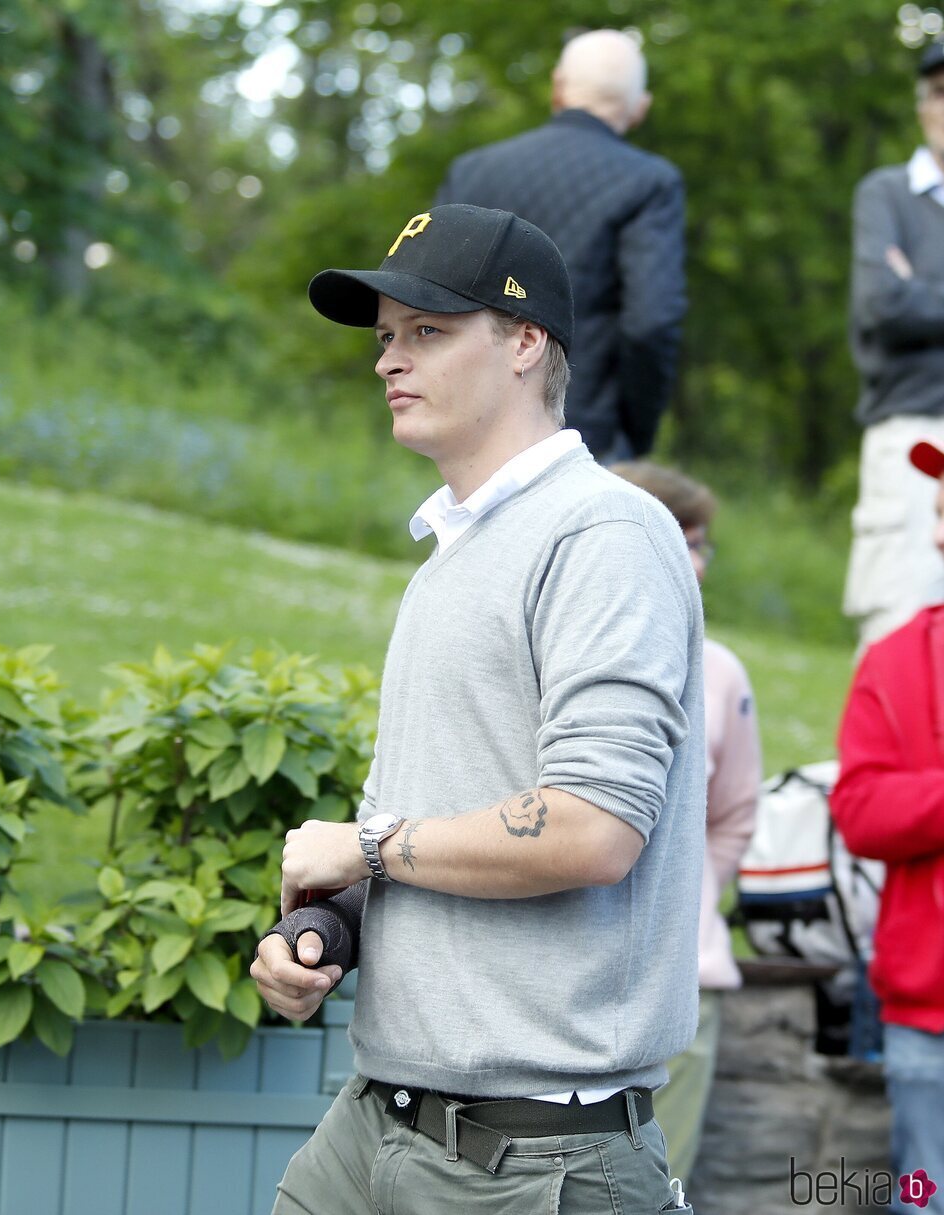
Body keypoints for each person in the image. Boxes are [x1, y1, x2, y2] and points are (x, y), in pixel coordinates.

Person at [250, 203, 704, 1214]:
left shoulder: (604, 534)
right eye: (383, 338)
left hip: (533, 1159)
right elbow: (416, 834)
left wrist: (363, 850)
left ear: (524, 342)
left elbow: (591, 831)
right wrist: (323, 935)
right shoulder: (448, 562)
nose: (386, 362)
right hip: (378, 1121)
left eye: (426, 331)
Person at [610, 461, 761, 1186]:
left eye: (702, 544)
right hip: (570, 991)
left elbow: (733, 817)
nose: (696, 562)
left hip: (683, 992)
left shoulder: (722, 672)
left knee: (660, 1189)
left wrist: (692, 908)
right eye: (682, 538)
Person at [434, 29, 685, 464]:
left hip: (470, 419)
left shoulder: (472, 172)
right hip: (580, 426)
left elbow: (432, 295)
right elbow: (651, 323)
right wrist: (636, 432)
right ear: (640, 107)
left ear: (557, 87)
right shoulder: (650, 183)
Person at [832, 434, 944, 1215]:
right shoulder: (893, 658)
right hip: (929, 1010)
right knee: (926, 1199)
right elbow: (860, 810)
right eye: (943, 513)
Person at [844, 30, 944, 649]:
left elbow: (912, 304)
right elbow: (883, 306)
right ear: (922, 105)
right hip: (913, 438)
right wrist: (905, 298)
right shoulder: (887, 195)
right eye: (941, 92)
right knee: (899, 627)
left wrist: (927, 295)